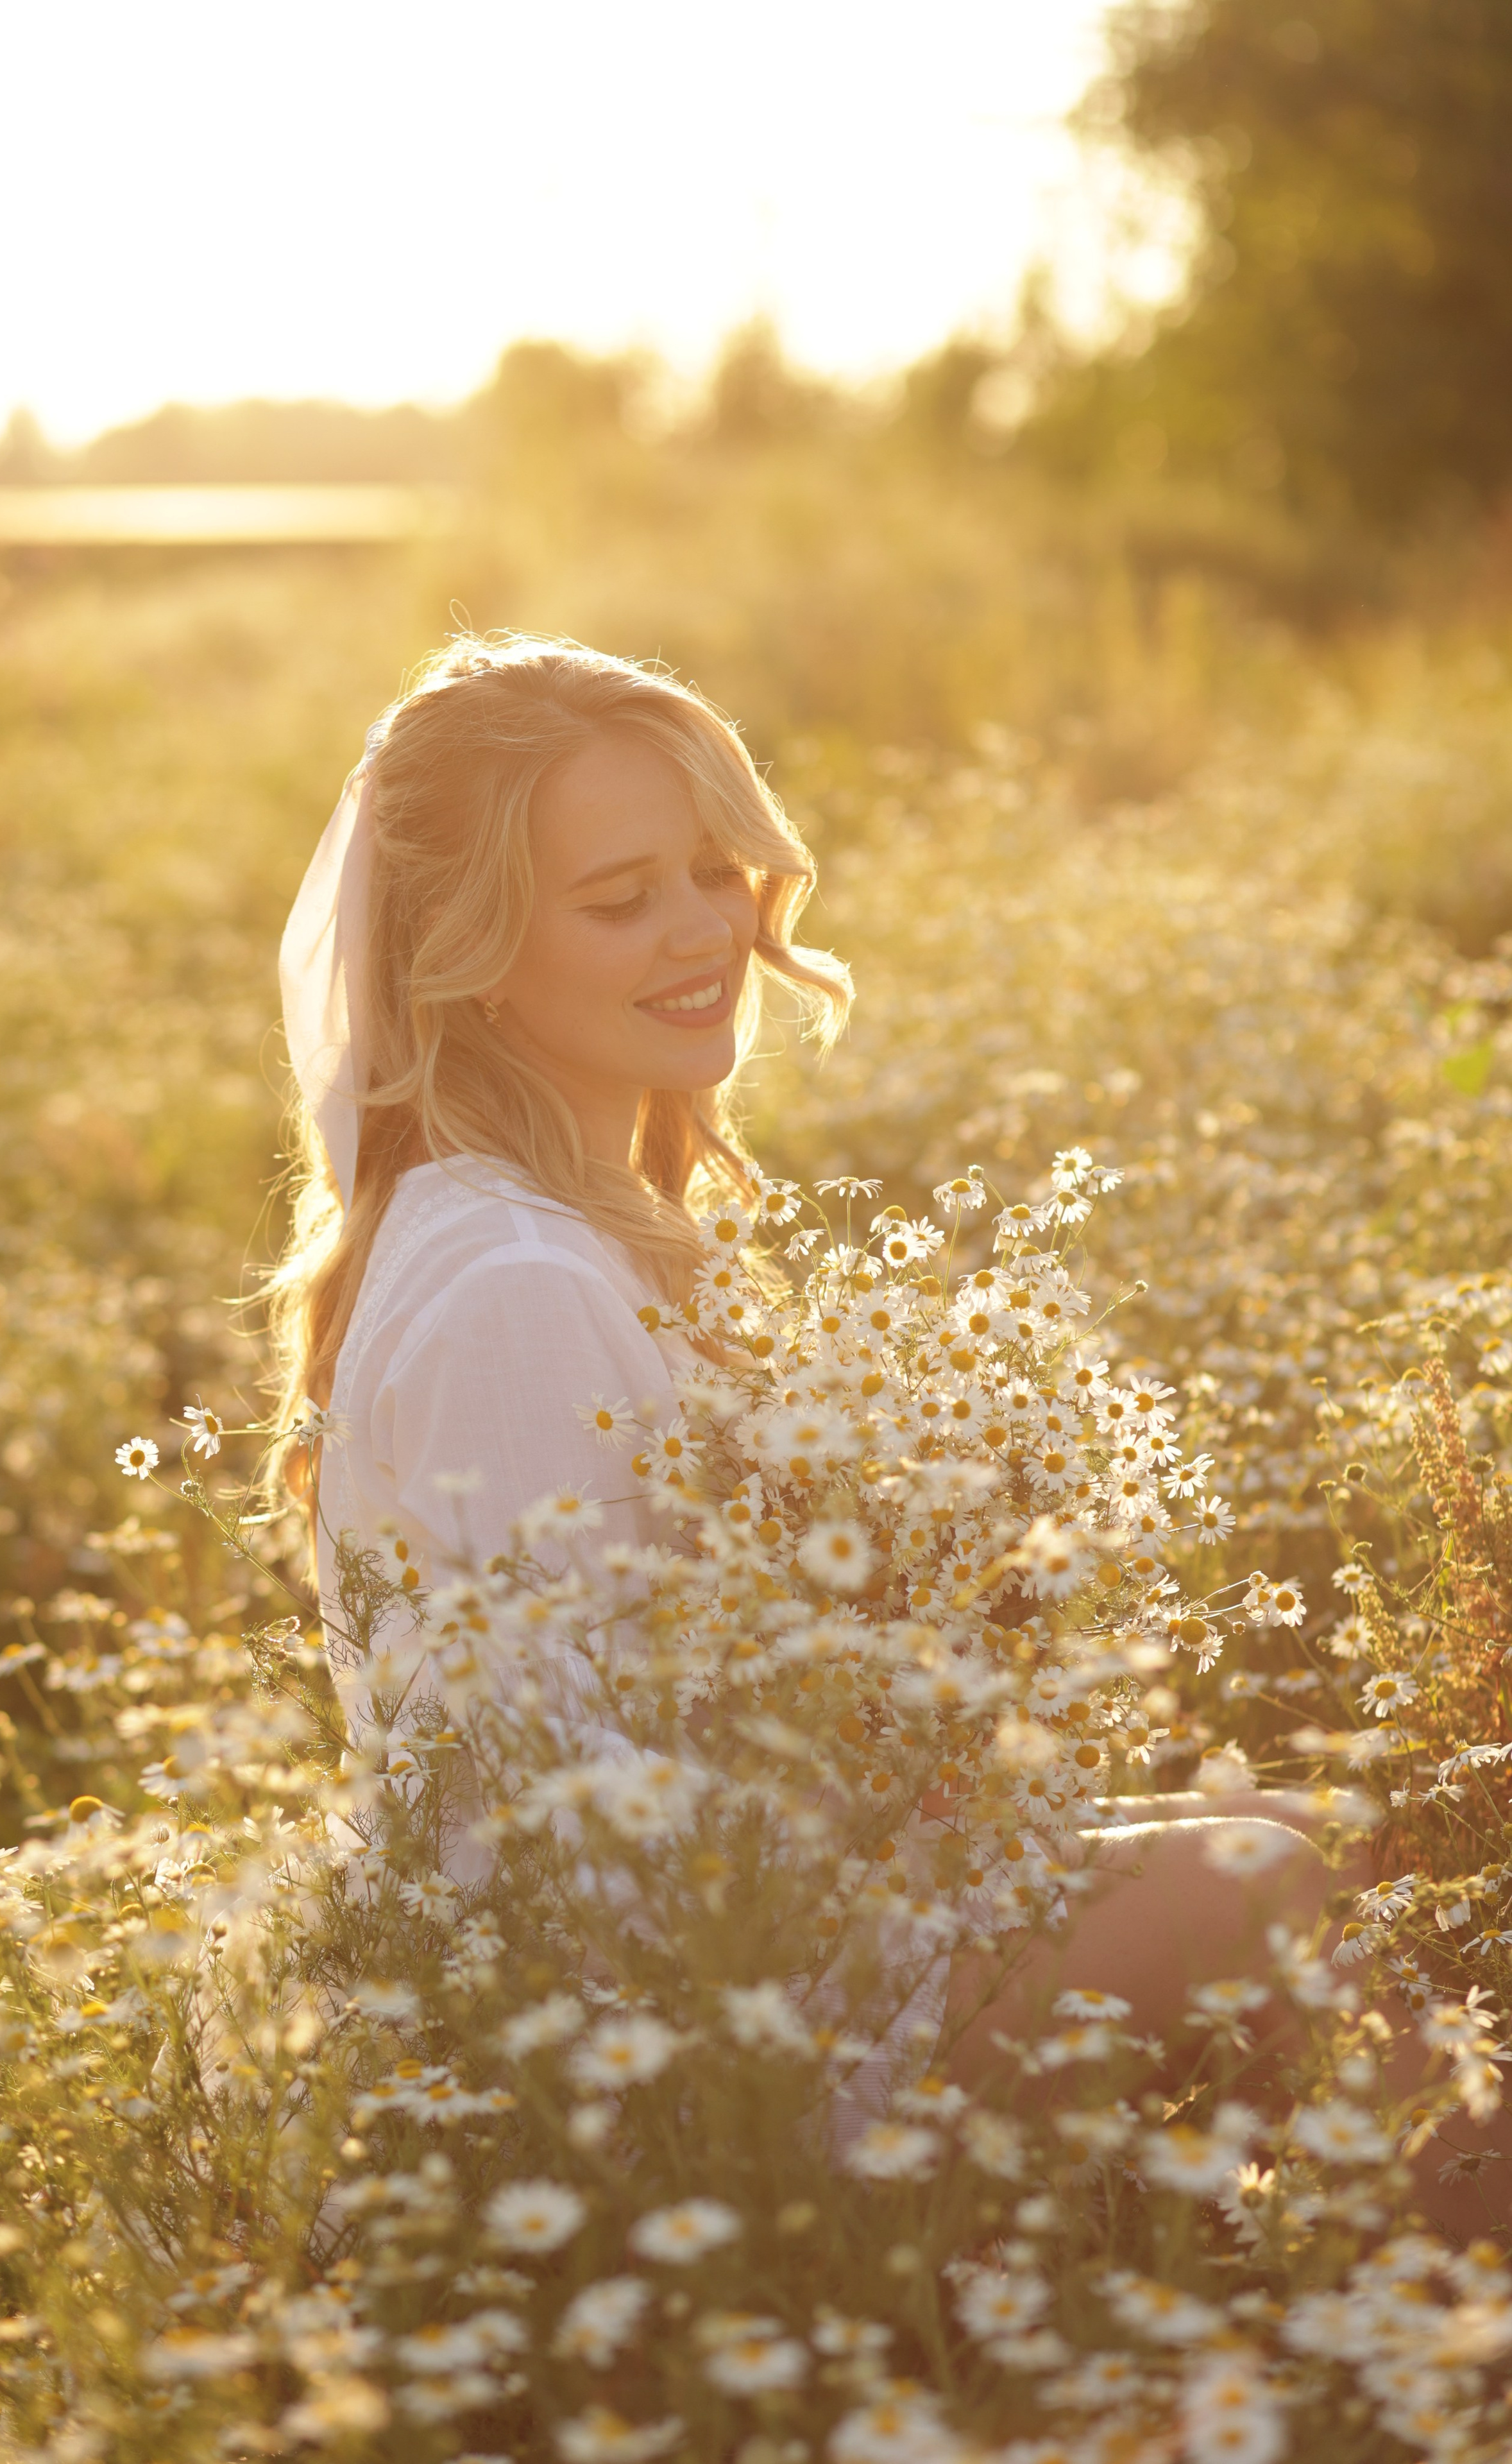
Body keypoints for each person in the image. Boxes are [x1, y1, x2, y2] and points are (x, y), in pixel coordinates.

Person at [269, 633, 1499, 2234]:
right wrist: (879, 1781)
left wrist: (902, 1714)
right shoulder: (511, 1280)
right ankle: (1415, 2318)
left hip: (742, 1938)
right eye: (617, 896)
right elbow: (561, 1829)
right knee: (1270, 1888)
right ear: (471, 947)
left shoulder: (562, 1222)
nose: (703, 929)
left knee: (1293, 1832)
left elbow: (663, 1697)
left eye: (712, 871)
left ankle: (1313, 2288)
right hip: (654, 2061)